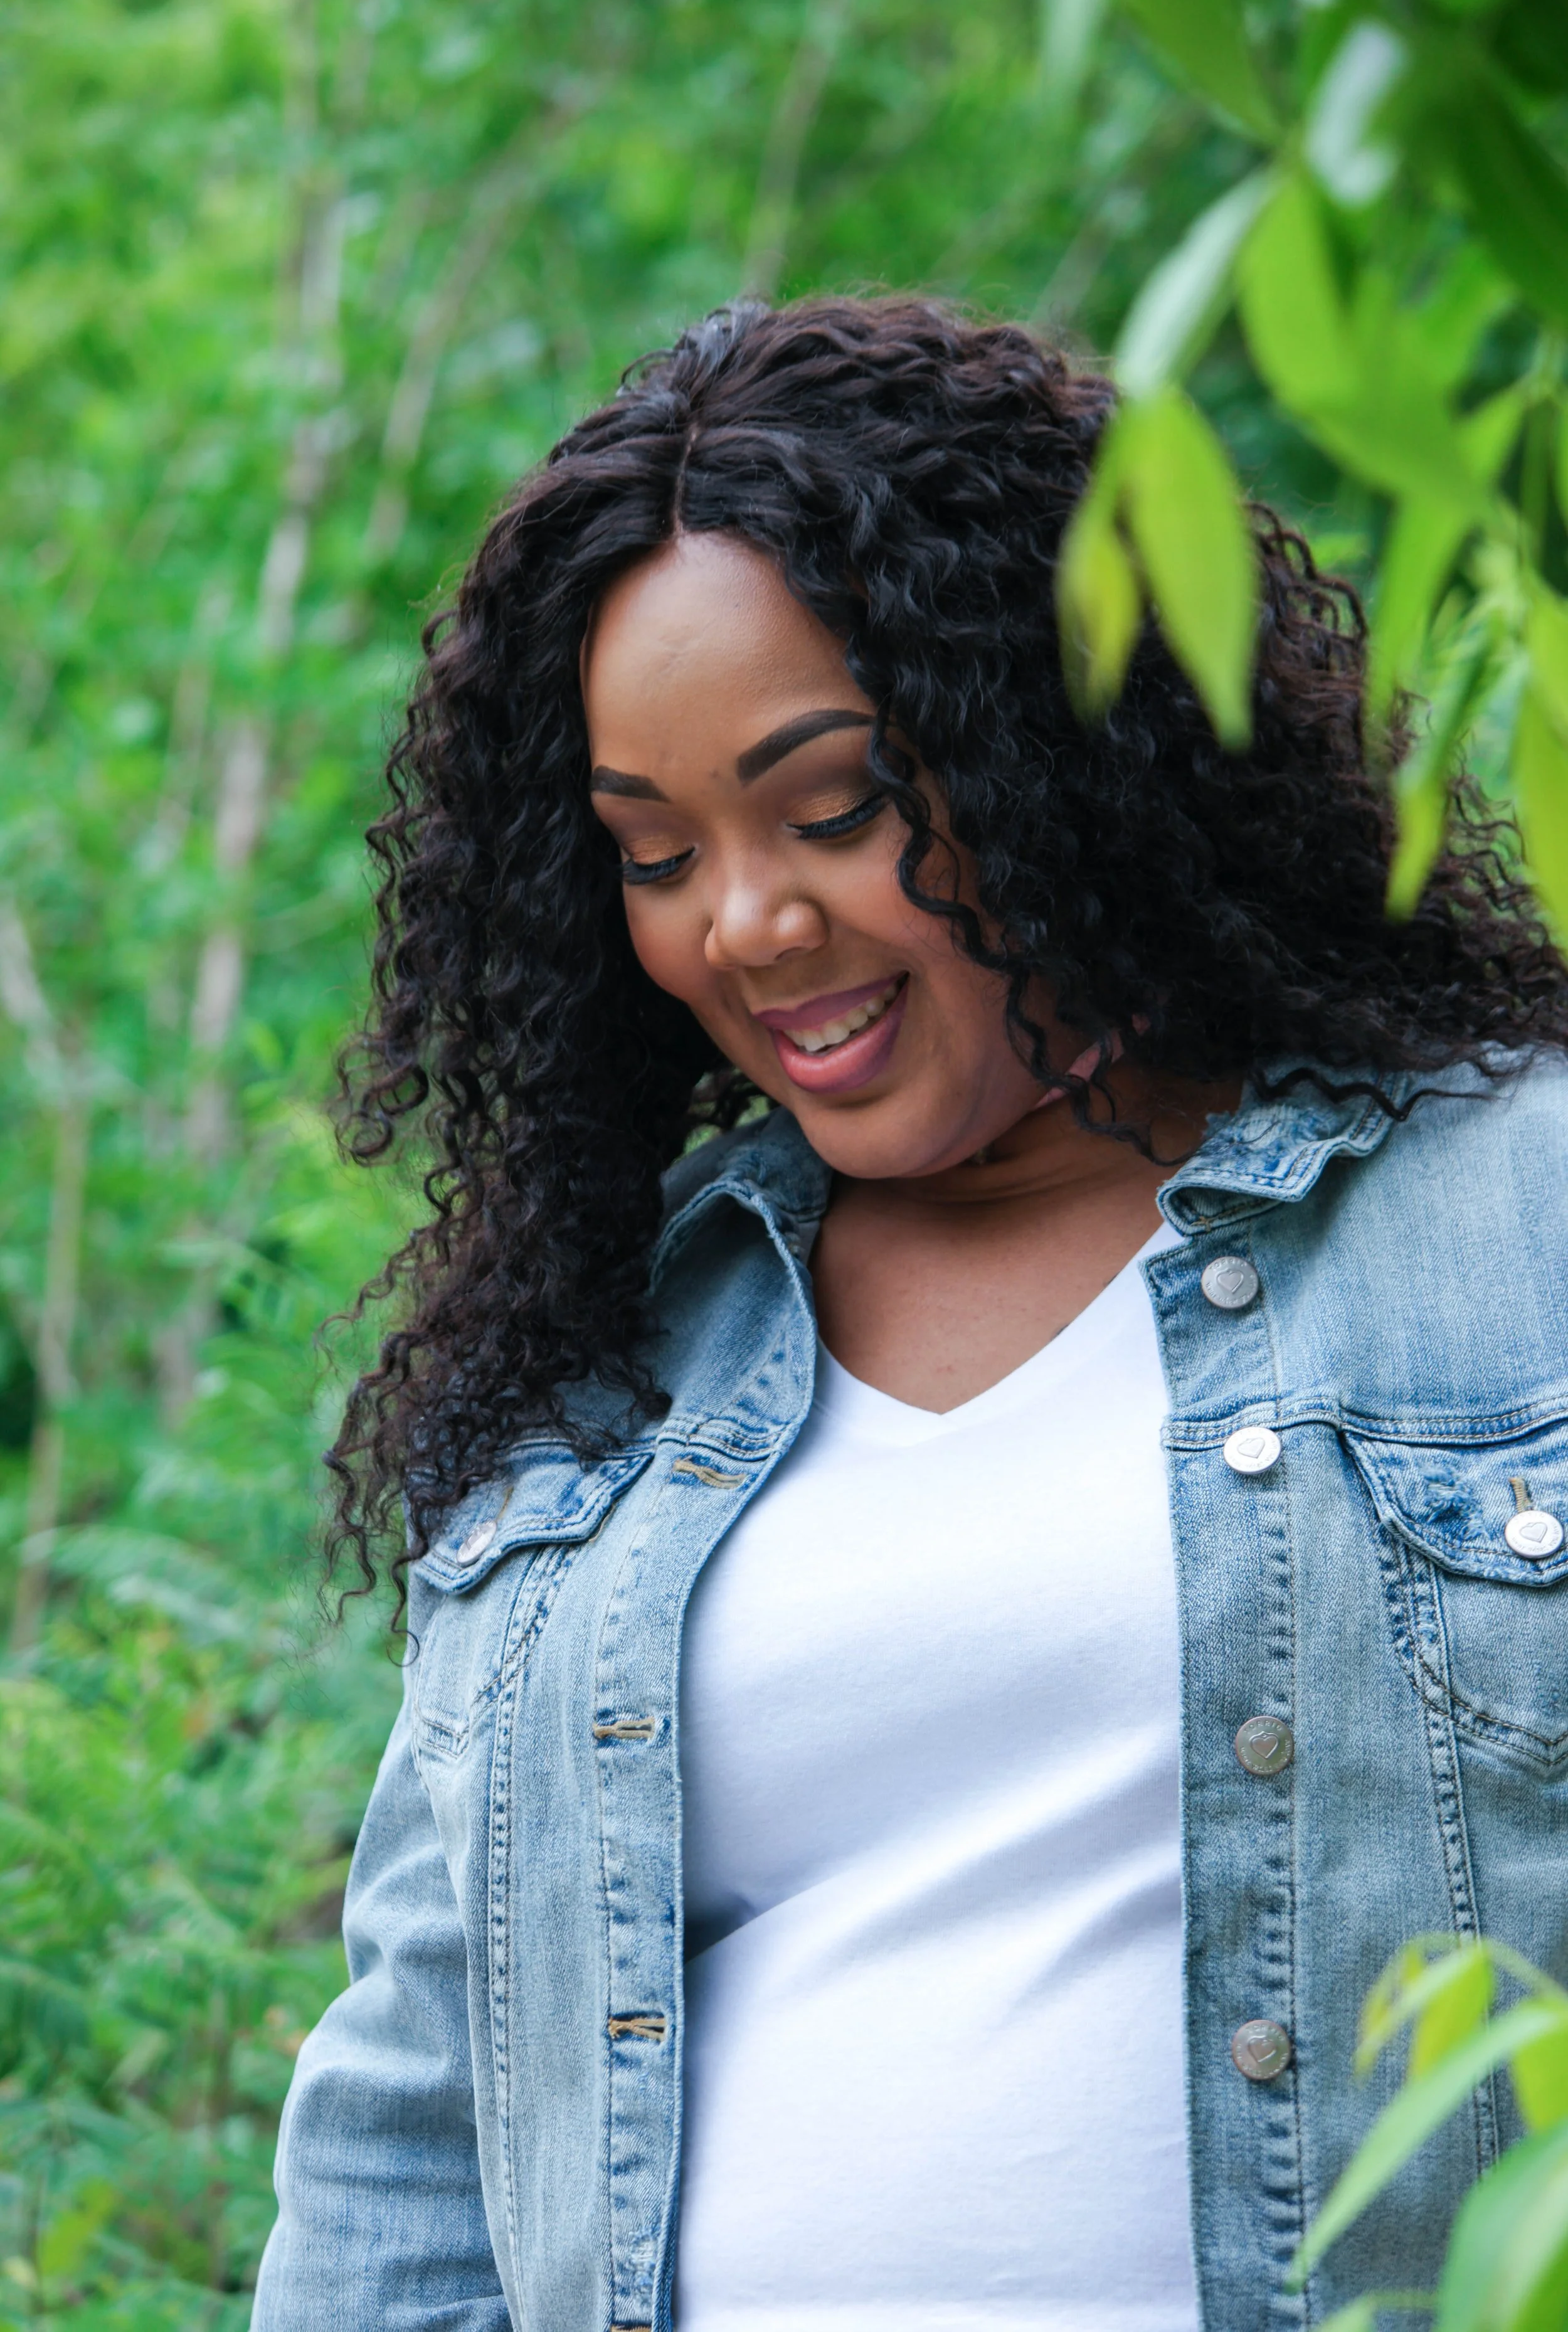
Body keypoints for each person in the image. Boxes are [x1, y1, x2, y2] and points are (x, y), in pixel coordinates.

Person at [252, 297, 1568, 2332]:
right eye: (655, 853)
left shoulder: (1513, 1210)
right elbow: (412, 2148)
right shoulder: (605, 1367)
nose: (745, 922)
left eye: (832, 805)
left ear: (1061, 746)